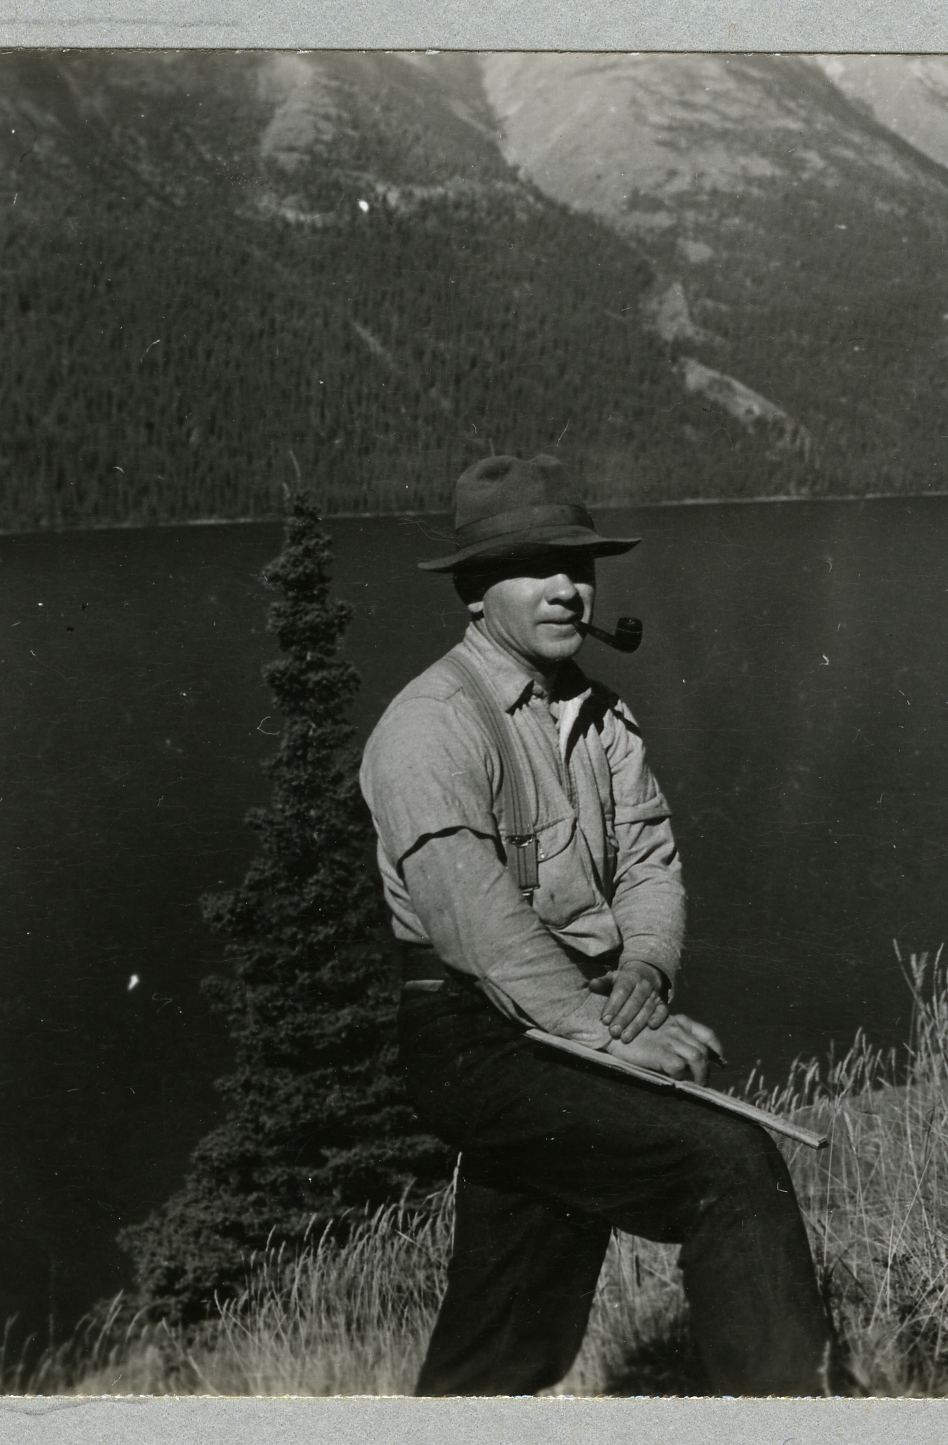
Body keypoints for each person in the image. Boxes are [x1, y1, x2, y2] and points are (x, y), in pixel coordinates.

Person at [361, 453, 854, 1395]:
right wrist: (605, 1037)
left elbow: (650, 863)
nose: (567, 589)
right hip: (476, 1036)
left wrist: (644, 977)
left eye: (578, 567)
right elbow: (475, 925)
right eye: (536, 566)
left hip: (565, 1026)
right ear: (475, 590)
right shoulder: (429, 726)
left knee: (506, 1331)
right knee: (729, 1162)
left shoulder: (600, 714)